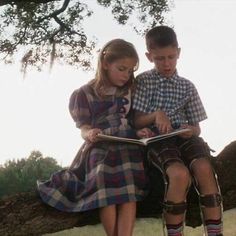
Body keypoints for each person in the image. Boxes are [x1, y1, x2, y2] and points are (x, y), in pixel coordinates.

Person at [37, 38, 152, 236]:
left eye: (130, 70)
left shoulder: (130, 91)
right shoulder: (85, 93)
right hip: (100, 145)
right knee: (104, 192)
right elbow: (83, 127)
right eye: (122, 68)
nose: (126, 75)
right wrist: (88, 133)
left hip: (128, 144)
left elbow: (133, 121)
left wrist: (140, 131)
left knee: (129, 194)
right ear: (106, 63)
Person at [132, 25, 223, 236]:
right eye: (159, 58)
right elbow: (137, 121)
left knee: (203, 168)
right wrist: (156, 115)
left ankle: (215, 232)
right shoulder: (144, 81)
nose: (166, 63)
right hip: (158, 140)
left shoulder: (187, 86)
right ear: (149, 56)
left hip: (184, 138)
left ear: (179, 53)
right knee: (179, 174)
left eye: (171, 57)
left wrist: (189, 130)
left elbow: (197, 128)